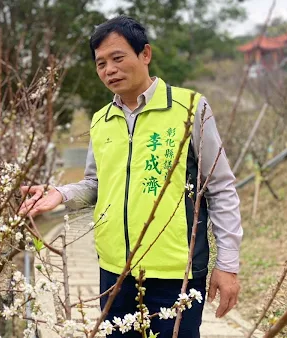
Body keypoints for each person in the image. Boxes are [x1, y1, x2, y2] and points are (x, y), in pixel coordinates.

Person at [19, 15, 242, 337]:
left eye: (118, 58)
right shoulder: (101, 120)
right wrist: (61, 194)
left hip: (175, 273)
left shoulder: (191, 108)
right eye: (100, 63)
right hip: (114, 273)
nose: (109, 69)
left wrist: (228, 264)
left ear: (145, 54)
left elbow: (220, 187)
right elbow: (97, 184)